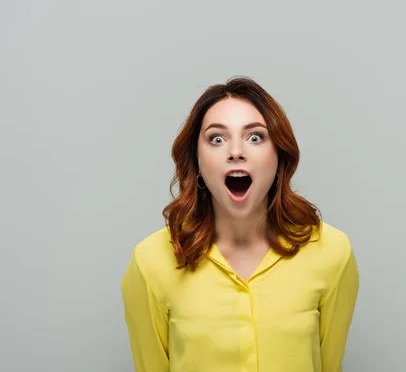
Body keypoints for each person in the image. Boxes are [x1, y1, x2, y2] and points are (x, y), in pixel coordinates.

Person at [120, 76, 359, 371]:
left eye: (255, 137)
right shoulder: (150, 262)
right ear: (196, 160)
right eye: (217, 139)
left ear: (279, 156)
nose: (236, 151)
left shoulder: (332, 252)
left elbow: (328, 365)